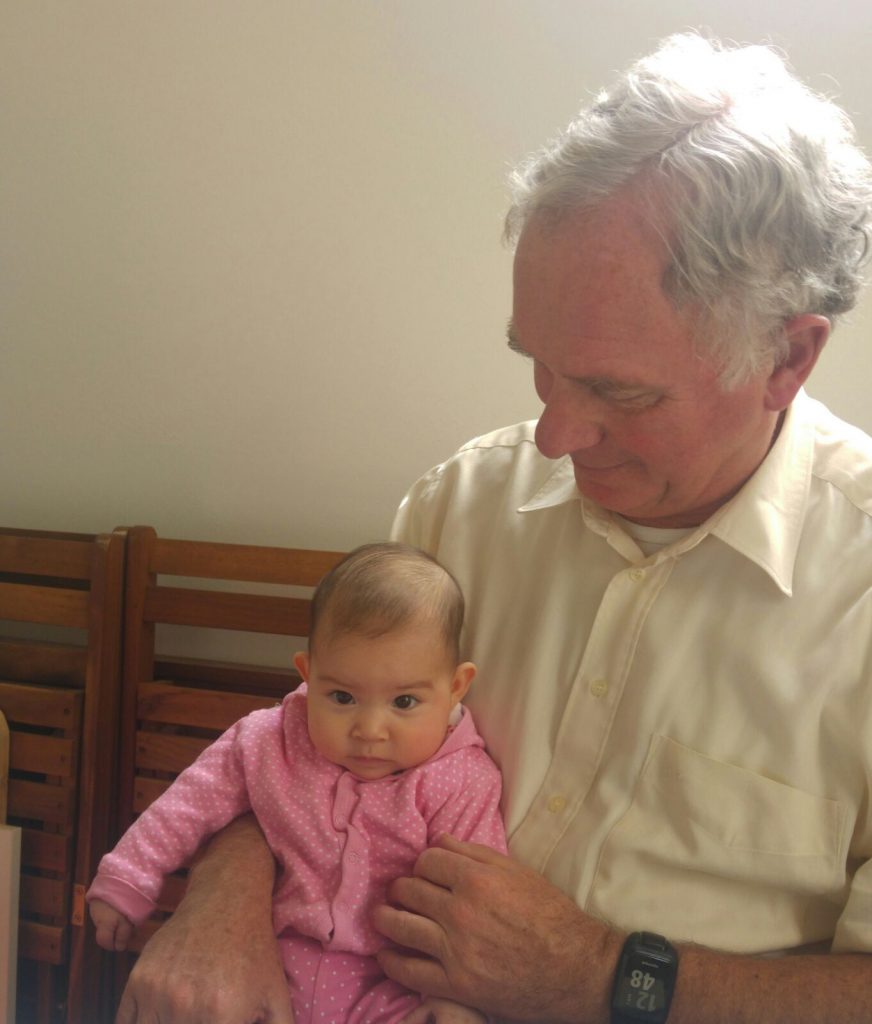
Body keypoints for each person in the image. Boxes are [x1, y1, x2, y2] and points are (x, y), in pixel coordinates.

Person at [114, 32, 872, 1024]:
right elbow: (312, 749)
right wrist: (224, 891)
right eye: (538, 367)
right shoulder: (462, 507)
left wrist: (601, 973)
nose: (554, 435)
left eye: (619, 392)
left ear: (787, 357)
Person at [89, 542, 506, 1024]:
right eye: (343, 697)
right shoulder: (268, 741)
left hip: (393, 987)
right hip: (270, 968)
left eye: (404, 702)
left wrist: (457, 1000)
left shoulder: (463, 780)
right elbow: (187, 805)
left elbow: (475, 903)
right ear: (308, 674)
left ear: (455, 687)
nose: (370, 730)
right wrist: (127, 878)